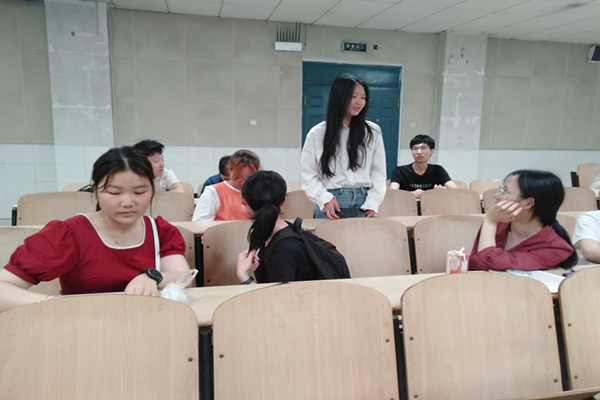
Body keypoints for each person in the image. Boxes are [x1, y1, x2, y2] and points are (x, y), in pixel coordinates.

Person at [0, 147, 190, 313]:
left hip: (146, 322)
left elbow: (183, 277)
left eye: (139, 192)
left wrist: (152, 277)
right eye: (114, 193)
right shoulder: (69, 234)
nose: (127, 202)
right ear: (96, 191)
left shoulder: (160, 231)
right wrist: (58, 305)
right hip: (83, 327)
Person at [301, 73, 386, 220]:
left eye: (363, 97)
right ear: (339, 97)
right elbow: (308, 173)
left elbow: (378, 172)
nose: (359, 102)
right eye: (353, 96)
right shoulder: (318, 133)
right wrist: (324, 198)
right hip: (332, 201)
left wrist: (373, 201)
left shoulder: (372, 131)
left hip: (364, 202)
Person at [469, 170, 577, 271]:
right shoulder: (498, 225)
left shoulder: (557, 248)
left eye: (505, 191)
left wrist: (490, 221)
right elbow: (474, 265)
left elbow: (486, 262)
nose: (496, 196)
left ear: (528, 203)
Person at [236, 171, 323, 284]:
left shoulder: (282, 250)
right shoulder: (286, 232)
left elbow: (280, 295)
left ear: (244, 201)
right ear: (284, 201)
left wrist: (243, 275)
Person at [192, 149, 260, 221]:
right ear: (229, 170)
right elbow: (200, 223)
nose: (244, 182)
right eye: (239, 177)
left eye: (249, 177)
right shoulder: (213, 192)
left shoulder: (259, 192)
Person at [389, 134, 458, 199]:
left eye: (423, 148)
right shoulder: (400, 171)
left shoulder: (438, 170)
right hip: (407, 205)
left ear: (431, 151)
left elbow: (456, 190)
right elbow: (392, 193)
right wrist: (410, 194)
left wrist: (443, 190)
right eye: (415, 148)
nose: (419, 152)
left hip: (431, 206)